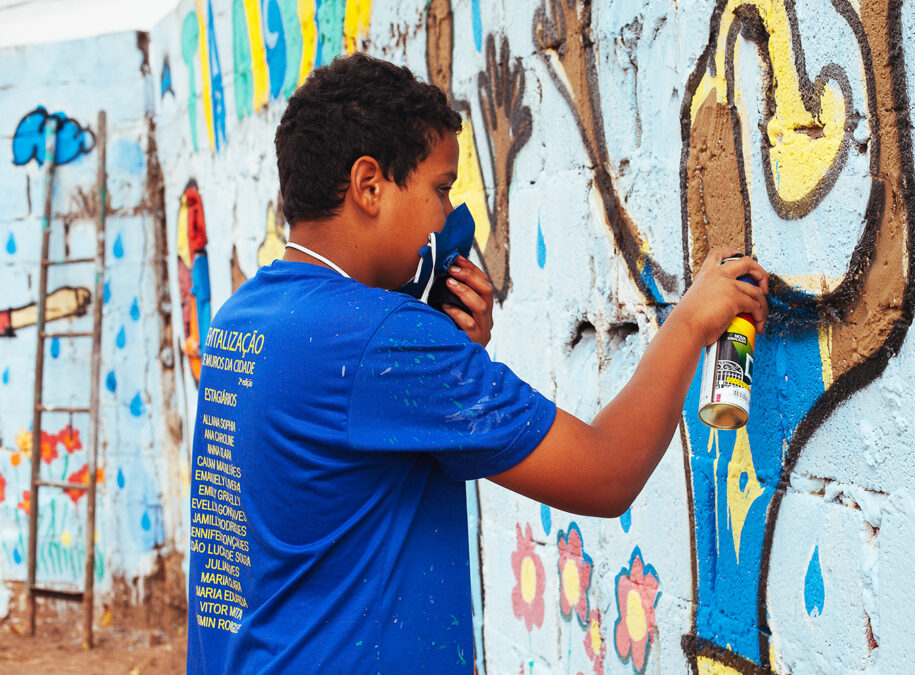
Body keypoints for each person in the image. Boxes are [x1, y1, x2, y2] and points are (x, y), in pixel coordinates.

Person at [186, 52, 768, 673]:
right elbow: (607, 474)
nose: (448, 218)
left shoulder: (243, 315)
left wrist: (450, 361)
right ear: (369, 185)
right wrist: (689, 322)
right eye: (440, 189)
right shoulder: (386, 339)